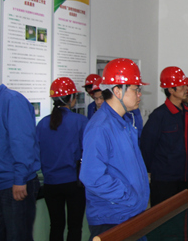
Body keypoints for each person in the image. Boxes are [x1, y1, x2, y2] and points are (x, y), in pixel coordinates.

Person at [79, 58, 150, 240]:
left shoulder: (123, 121)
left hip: (129, 212)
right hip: (112, 217)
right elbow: (91, 177)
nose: (139, 95)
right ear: (118, 91)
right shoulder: (100, 127)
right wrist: (129, 195)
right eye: (136, 89)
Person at [0, 68, 41, 241]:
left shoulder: (12, 100)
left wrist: (20, 179)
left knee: (18, 236)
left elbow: (22, 143)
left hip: (14, 187)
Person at [37, 77, 88, 241]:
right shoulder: (80, 121)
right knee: (75, 227)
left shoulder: (42, 124)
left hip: (50, 184)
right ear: (72, 98)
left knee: (56, 226)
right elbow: (88, 150)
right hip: (74, 183)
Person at [140, 66, 188, 206]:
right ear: (171, 90)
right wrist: (149, 172)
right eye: (182, 86)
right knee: (164, 217)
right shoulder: (159, 115)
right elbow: (146, 146)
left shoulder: (186, 112)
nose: (186, 89)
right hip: (164, 181)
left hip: (184, 178)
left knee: (182, 216)